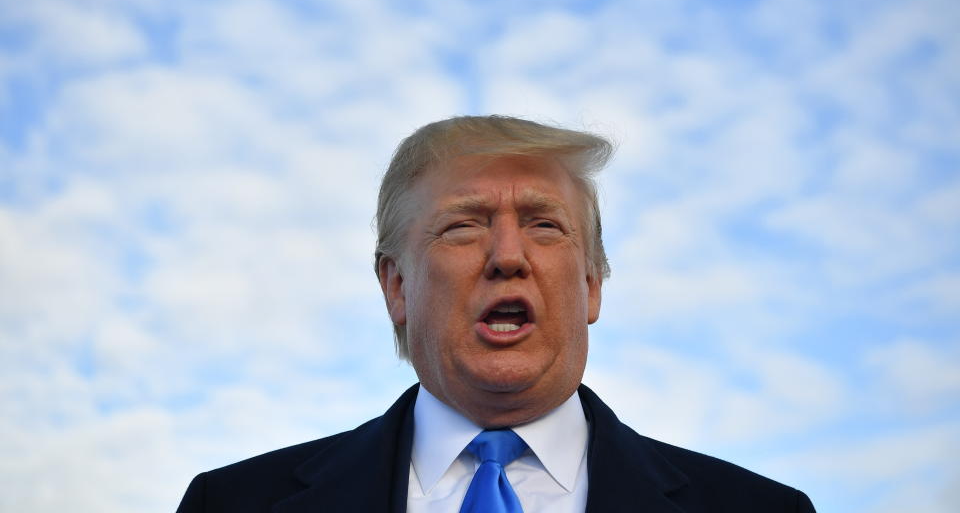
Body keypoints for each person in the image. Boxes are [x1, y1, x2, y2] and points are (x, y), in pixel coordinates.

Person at [176, 115, 816, 512]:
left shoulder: (762, 509)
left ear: (591, 285)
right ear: (396, 286)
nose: (508, 256)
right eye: (462, 226)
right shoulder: (231, 504)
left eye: (544, 225)